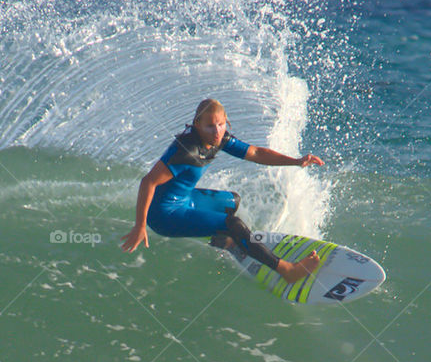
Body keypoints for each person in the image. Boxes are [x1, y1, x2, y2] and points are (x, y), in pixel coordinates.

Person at [120, 98, 324, 284]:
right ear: (197, 124)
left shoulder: (219, 139)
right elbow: (148, 182)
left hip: (185, 199)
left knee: (232, 202)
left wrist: (296, 162)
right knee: (233, 223)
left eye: (220, 124)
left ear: (226, 121)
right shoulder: (186, 151)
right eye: (210, 126)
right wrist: (140, 225)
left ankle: (225, 242)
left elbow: (256, 153)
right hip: (165, 215)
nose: (216, 131)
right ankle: (287, 270)